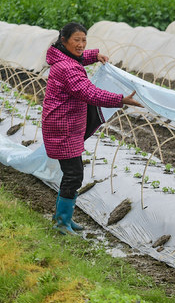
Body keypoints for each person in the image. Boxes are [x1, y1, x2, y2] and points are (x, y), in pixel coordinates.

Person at [42, 22, 142, 235]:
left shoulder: (62, 58)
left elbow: (77, 57)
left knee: (71, 172)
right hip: (63, 127)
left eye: (84, 40)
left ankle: (62, 217)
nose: (81, 44)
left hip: (64, 124)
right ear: (64, 40)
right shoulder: (68, 69)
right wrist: (121, 99)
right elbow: (90, 93)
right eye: (76, 40)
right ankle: (61, 222)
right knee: (74, 174)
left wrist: (93, 56)